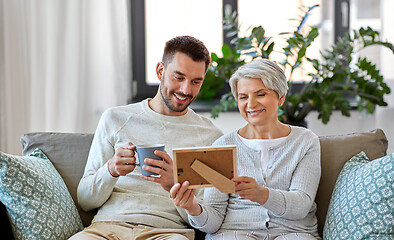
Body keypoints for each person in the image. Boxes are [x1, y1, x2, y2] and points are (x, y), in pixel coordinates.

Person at [70, 36, 223, 240]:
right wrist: (111, 170)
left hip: (167, 233)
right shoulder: (115, 118)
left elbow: (206, 218)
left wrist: (173, 186)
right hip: (106, 228)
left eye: (196, 82)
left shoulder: (210, 136)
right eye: (178, 77)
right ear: (161, 71)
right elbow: (85, 201)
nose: (186, 90)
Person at [170, 58, 322, 240]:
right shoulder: (222, 146)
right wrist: (192, 207)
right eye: (243, 97)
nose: (251, 104)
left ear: (281, 97)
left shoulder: (305, 142)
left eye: (260, 94)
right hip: (235, 233)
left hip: (293, 233)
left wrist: (261, 194)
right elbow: (213, 222)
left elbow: (301, 205)